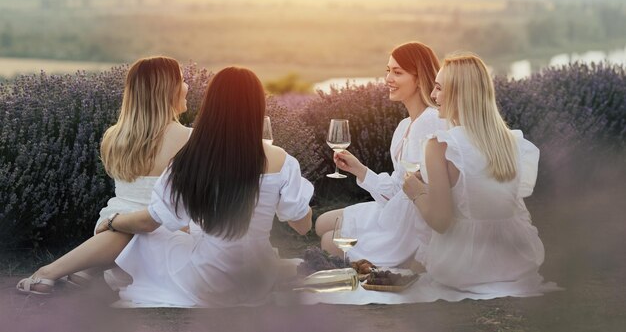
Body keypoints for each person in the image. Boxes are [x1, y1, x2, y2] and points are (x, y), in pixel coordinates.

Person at [17, 66, 314, 307]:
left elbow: (151, 221)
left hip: (209, 283)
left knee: (147, 232)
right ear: (258, 105)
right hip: (256, 280)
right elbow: (302, 225)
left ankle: (62, 271)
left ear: (212, 105)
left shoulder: (190, 159)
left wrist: (113, 221)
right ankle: (78, 271)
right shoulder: (283, 160)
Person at [24, 56, 192, 290]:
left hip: (112, 228)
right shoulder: (190, 140)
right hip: (157, 239)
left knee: (136, 228)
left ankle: (78, 269)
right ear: (168, 89)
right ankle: (55, 271)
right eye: (183, 80)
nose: (187, 87)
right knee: (146, 229)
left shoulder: (113, 137)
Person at [403, 53, 547, 296]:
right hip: (518, 262)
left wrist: (416, 192)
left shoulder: (440, 145)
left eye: (439, 88)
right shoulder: (514, 142)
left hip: (464, 269)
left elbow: (441, 222)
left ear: (459, 94)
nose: (433, 96)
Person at [315, 41, 446, 268]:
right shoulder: (404, 125)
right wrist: (359, 169)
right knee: (322, 223)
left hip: (411, 224)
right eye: (388, 71)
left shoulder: (431, 121)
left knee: (329, 239)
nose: (388, 79)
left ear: (419, 78)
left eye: (397, 72)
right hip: (395, 209)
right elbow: (398, 187)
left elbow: (430, 192)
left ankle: (402, 260)